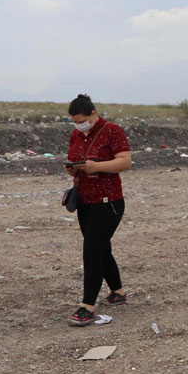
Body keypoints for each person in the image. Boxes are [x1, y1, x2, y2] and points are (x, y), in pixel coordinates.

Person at [62, 94, 132, 326]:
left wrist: (96, 167)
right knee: (101, 249)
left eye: (81, 120)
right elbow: (75, 159)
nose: (78, 125)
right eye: (74, 122)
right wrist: (74, 170)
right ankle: (118, 292)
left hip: (108, 202)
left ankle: (87, 306)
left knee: (91, 250)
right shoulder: (75, 134)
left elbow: (125, 162)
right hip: (85, 201)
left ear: (93, 114)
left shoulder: (112, 131)